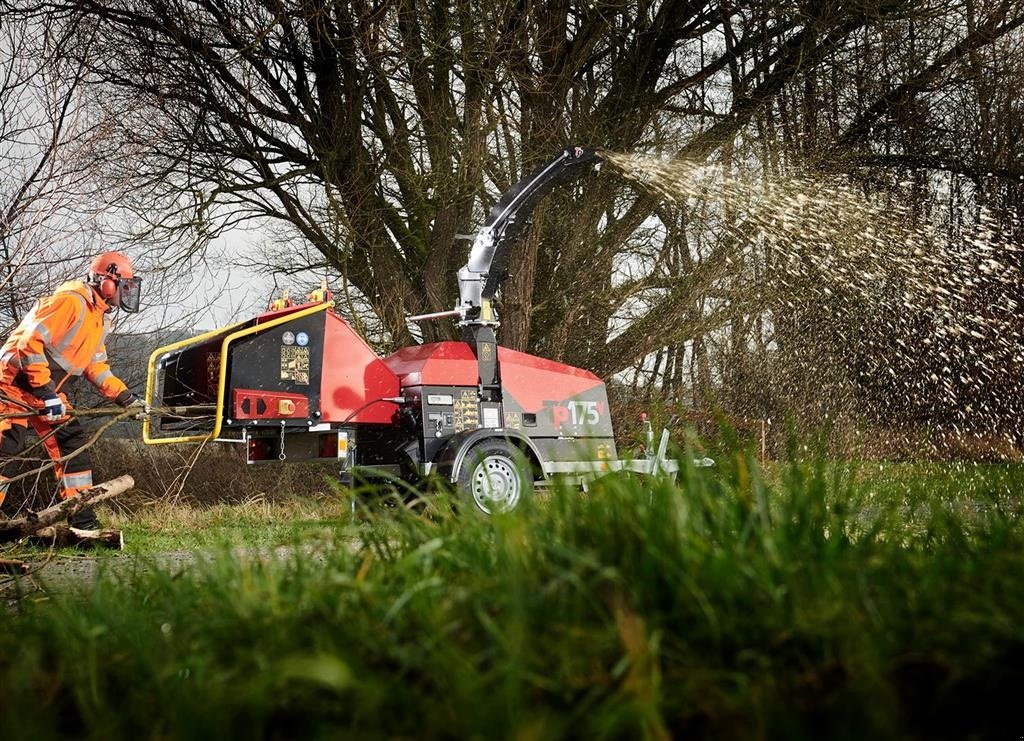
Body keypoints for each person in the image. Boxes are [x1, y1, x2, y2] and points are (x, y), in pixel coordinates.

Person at [0, 252, 144, 529]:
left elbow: (96, 365)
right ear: (107, 283)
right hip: (12, 385)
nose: (127, 293)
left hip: (45, 392)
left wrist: (125, 398)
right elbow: (29, 344)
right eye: (124, 285)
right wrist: (46, 392)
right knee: (7, 447)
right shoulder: (70, 302)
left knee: (72, 445)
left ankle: (81, 520)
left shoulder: (100, 318)